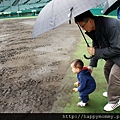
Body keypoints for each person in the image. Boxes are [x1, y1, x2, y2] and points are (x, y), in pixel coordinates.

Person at [74, 10, 120, 111]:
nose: (83, 29)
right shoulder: (95, 27)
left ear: (90, 21)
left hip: (118, 50)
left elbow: (117, 48)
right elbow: (96, 45)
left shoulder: (110, 25)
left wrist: (96, 52)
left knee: (114, 75)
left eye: (82, 26)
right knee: (107, 68)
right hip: (117, 53)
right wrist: (91, 65)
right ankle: (114, 91)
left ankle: (114, 100)